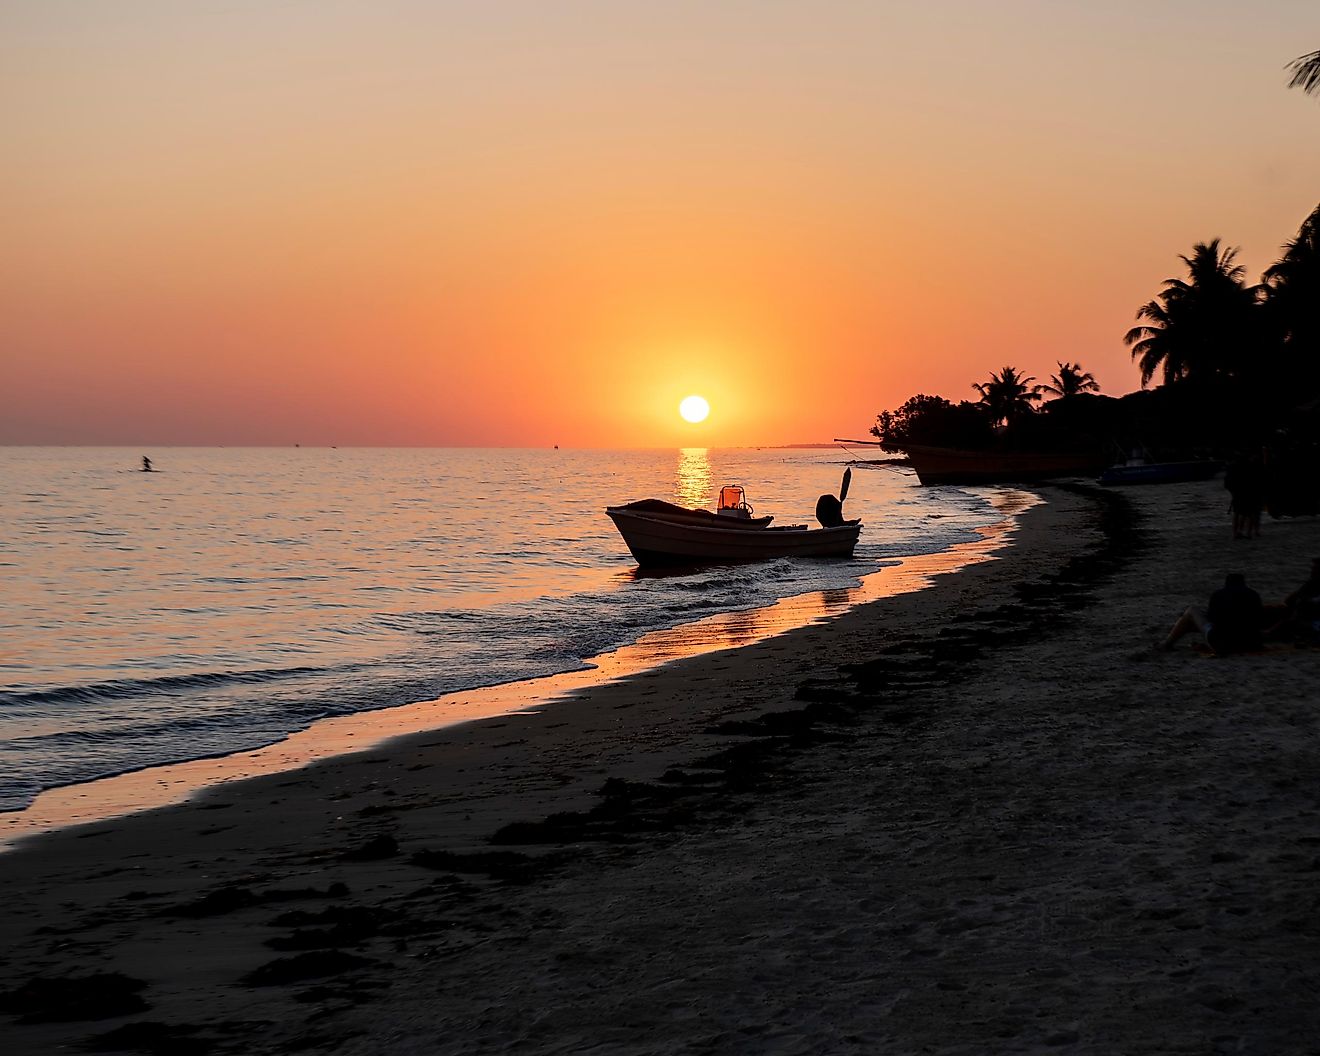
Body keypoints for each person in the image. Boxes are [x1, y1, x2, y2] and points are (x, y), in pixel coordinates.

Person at [1160, 573, 1264, 655]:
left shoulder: (1218, 595)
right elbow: (1258, 620)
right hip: (1251, 642)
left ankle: (1166, 644)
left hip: (1222, 643)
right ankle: (1169, 641)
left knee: (1192, 610)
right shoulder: (1254, 595)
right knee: (1195, 622)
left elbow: (1212, 620)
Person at [1224, 452, 1265, 539]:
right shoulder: (1250, 466)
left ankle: (1237, 532)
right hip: (1247, 492)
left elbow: (1227, 482)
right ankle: (1248, 532)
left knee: (1238, 513)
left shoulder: (1232, 467)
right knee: (1250, 513)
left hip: (1238, 492)